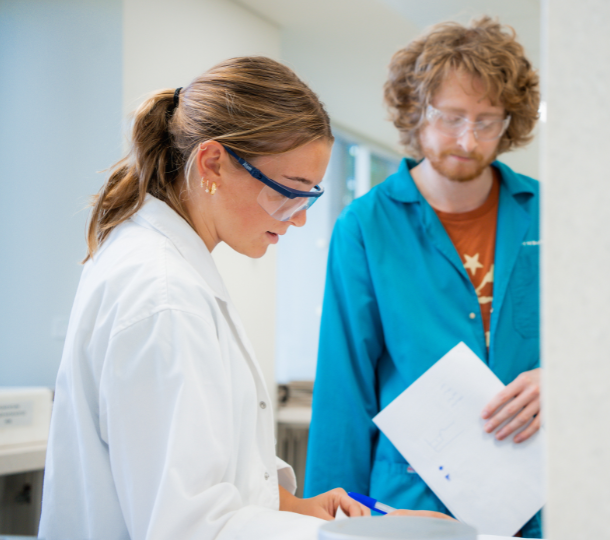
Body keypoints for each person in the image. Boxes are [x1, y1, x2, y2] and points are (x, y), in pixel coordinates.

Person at [38, 57, 375, 540]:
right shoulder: (163, 294)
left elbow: (197, 477)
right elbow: (188, 526)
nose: (299, 218)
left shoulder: (168, 269)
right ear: (212, 162)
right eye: (289, 191)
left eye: (310, 196)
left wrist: (297, 509)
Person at [305, 17, 543, 537]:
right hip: (409, 502)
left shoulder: (549, 214)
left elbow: (609, 340)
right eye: (451, 117)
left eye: (487, 121)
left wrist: (565, 379)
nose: (467, 139)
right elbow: (344, 388)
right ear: (416, 110)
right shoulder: (365, 226)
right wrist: (328, 525)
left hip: (539, 492)